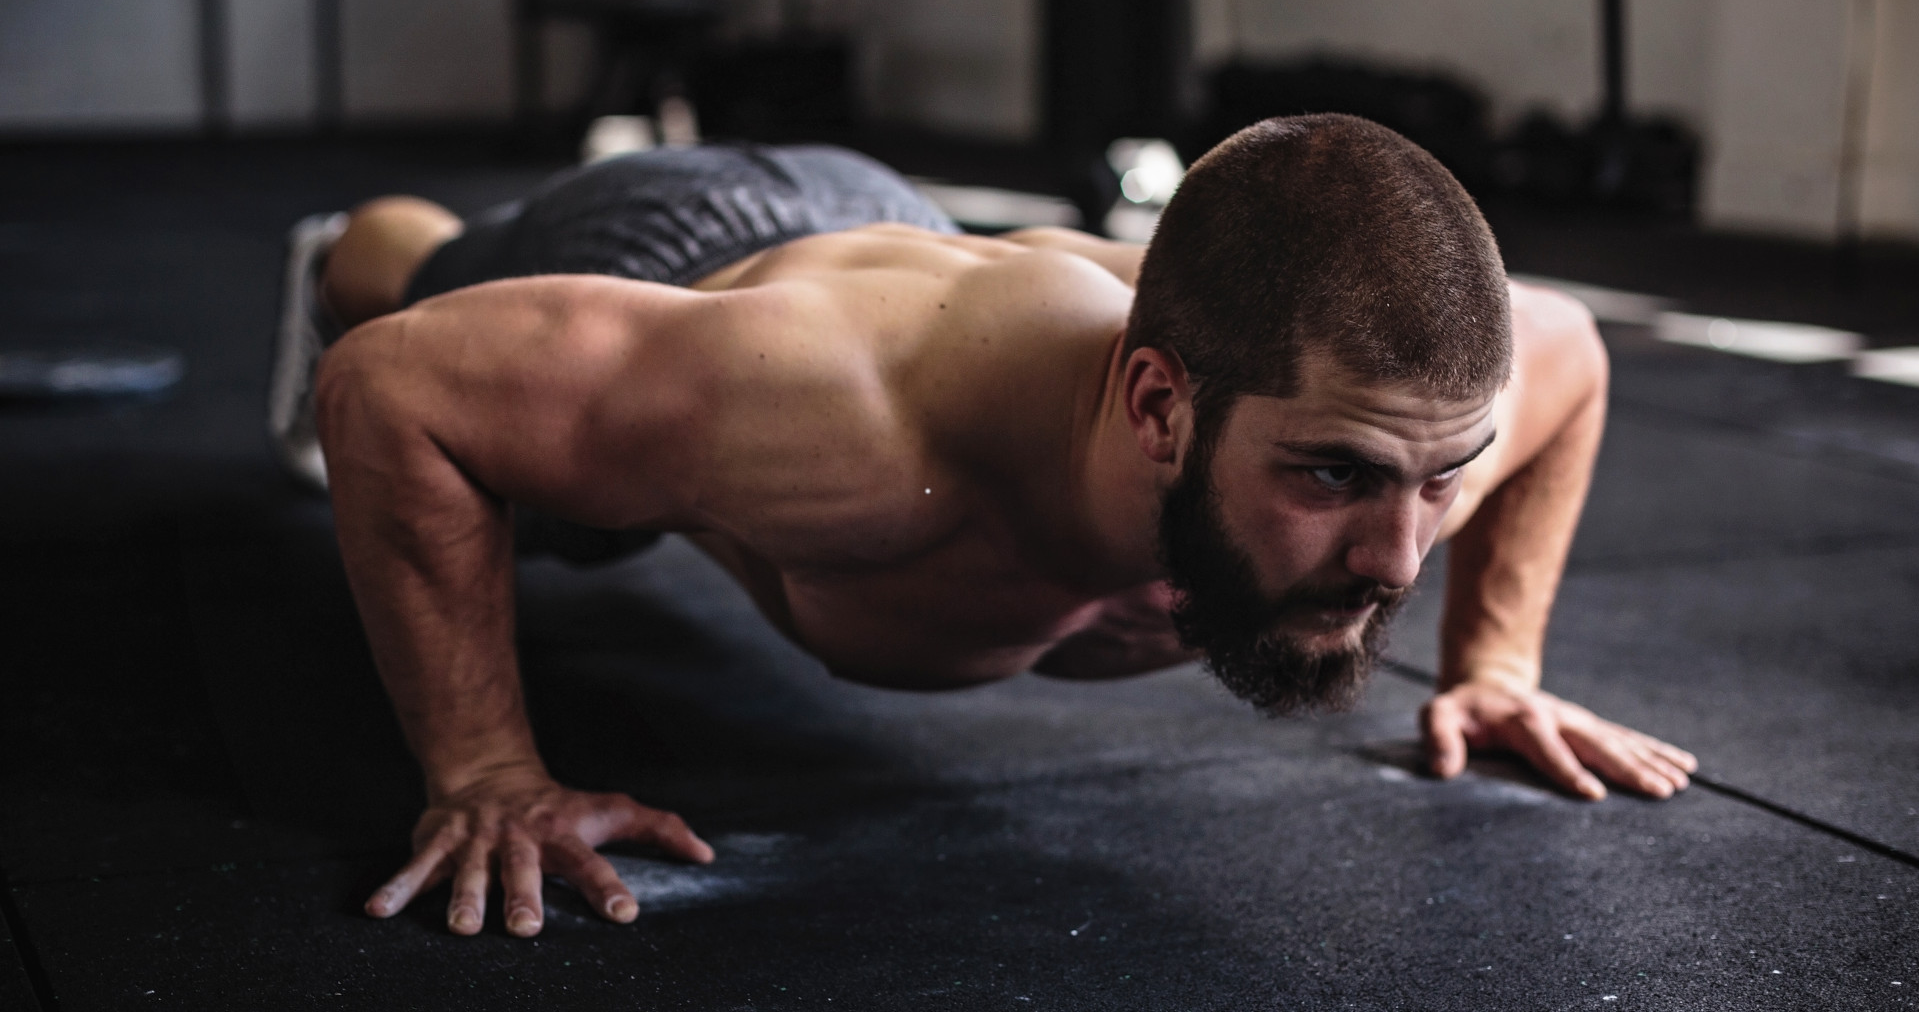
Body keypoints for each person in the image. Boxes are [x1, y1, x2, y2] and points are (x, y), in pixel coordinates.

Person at [274, 114, 1697, 940]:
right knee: (422, 298)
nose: (1398, 562)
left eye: (1439, 481)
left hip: (917, 244)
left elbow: (1571, 357)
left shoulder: (1410, 409)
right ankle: (347, 241)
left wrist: (1494, 665)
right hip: (692, 251)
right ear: (1158, 409)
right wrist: (487, 771)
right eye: (1334, 479)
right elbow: (387, 389)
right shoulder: (822, 413)